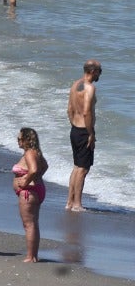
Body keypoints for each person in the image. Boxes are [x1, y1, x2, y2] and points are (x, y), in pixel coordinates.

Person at [66, 59, 101, 212]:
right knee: (83, 169)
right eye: (100, 70)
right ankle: (77, 204)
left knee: (76, 167)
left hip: (75, 129)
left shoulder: (75, 85)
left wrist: (74, 124)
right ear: (93, 71)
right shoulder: (89, 88)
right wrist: (90, 133)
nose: (101, 74)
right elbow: (87, 111)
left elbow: (69, 109)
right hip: (84, 131)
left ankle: (69, 202)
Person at [14, 127, 47, 262]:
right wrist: (37, 177)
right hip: (36, 190)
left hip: (29, 192)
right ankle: (34, 255)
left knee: (29, 224)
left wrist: (26, 181)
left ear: (27, 140)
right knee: (33, 223)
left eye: (19, 139)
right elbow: (44, 166)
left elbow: (33, 169)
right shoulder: (36, 153)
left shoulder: (29, 153)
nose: (18, 141)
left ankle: (30, 256)